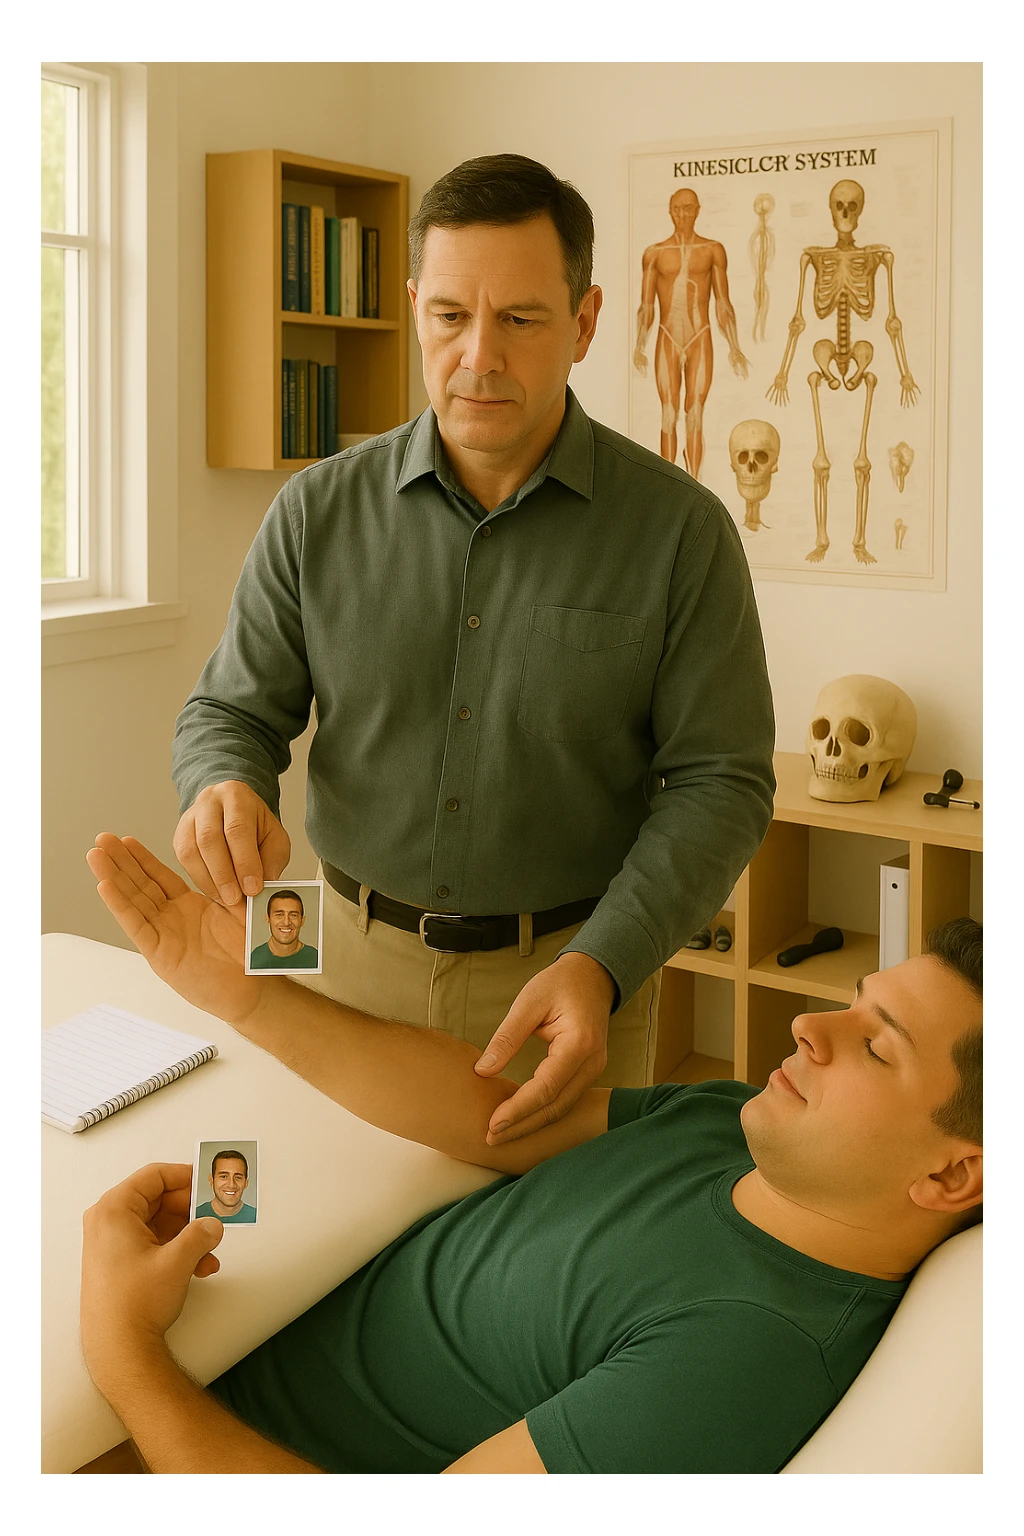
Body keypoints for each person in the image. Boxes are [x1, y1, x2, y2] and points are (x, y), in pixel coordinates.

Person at [170, 152, 776, 1145]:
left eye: (521, 320)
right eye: (450, 315)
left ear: (584, 322)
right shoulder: (315, 512)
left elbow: (721, 781)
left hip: (568, 990)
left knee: (538, 1283)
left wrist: (604, 963)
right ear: (415, 309)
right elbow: (231, 711)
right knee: (339, 1260)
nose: (478, 355)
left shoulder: (680, 533)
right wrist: (222, 783)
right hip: (339, 970)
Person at [81, 833, 982, 1474]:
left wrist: (122, 1350)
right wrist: (251, 1002)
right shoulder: (737, 1123)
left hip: (167, 1440)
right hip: (232, 1332)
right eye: (854, 1000)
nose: (809, 1025)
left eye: (877, 1045)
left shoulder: (736, 1362)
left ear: (950, 1173)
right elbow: (499, 1117)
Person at [634, 186, 751, 478]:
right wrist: (640, 345)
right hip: (667, 336)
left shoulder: (712, 250)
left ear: (698, 210)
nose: (682, 215)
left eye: (688, 208)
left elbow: (723, 303)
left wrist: (734, 346)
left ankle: (694, 485)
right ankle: (667, 487)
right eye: (677, 209)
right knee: (669, 413)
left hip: (700, 336)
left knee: (695, 413)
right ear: (670, 212)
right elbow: (646, 305)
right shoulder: (655, 253)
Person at [248, 889, 319, 971]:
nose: (286, 922)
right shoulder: (254, 960)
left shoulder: (315, 958)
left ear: (302, 920)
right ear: (268, 919)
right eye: (279, 915)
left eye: (293, 915)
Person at [195, 1150, 257, 1225]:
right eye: (224, 1176)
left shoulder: (255, 1216)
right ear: (211, 1180)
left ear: (246, 1183)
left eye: (238, 1177)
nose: (231, 1185)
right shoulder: (196, 1215)